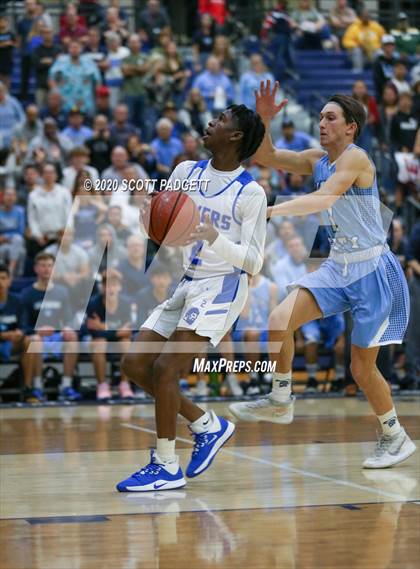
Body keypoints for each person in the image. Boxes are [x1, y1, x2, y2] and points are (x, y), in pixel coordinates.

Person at [230, 80, 416, 469]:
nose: (322, 123)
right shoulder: (318, 159)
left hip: (372, 270)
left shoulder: (356, 159)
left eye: (330, 118)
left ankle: (394, 435)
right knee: (280, 318)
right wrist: (264, 117)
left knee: (361, 368)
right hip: (338, 266)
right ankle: (281, 399)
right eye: (319, 118)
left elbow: (324, 198)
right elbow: (268, 155)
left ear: (351, 127)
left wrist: (271, 211)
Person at [117, 104, 266, 491]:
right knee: (134, 364)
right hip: (188, 280)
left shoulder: (250, 192)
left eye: (221, 121)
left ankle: (166, 466)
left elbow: (253, 260)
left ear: (234, 136)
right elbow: (164, 223)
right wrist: (149, 217)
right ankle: (206, 424)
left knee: (166, 370)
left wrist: (214, 237)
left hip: (223, 285)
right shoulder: (186, 172)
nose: (211, 123)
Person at [20, 252, 80, 402]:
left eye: (49, 265)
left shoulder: (62, 292)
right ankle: (37, 386)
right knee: (35, 340)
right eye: (42, 265)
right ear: (35, 268)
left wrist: (67, 328)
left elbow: (69, 320)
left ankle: (66, 386)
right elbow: (22, 325)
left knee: (73, 339)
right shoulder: (26, 294)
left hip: (56, 338)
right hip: (37, 338)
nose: (46, 269)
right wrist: (37, 331)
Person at [85, 270, 134, 401]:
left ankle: (125, 384)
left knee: (127, 343)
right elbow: (93, 331)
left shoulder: (126, 303)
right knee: (99, 343)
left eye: (114, 285)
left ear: (119, 287)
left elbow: (129, 331)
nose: (110, 288)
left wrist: (104, 327)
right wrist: (116, 331)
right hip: (97, 340)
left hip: (118, 341)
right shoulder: (93, 303)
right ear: (102, 287)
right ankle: (102, 385)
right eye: (107, 285)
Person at [0, 188, 26, 277]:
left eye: (12, 195)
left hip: (15, 240)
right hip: (2, 243)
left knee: (19, 242)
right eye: (8, 195)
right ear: (3, 197)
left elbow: (21, 231)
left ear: (16, 198)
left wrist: (6, 237)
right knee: (5, 250)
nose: (10, 198)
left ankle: (11, 271)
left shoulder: (20, 211)